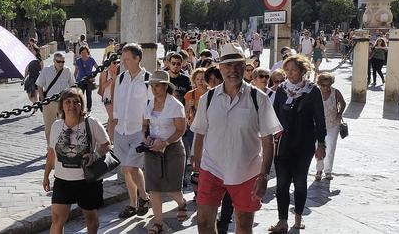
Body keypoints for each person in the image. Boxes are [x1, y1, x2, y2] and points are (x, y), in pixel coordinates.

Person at [192, 42, 282, 234]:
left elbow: (268, 140)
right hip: (212, 168)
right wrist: (197, 166)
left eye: (238, 65)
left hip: (246, 170)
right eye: (228, 65)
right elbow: (199, 134)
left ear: (245, 67)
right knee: (204, 223)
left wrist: (264, 176)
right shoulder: (207, 99)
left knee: (243, 224)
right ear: (220, 68)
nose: (233, 70)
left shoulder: (259, 99)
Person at [269, 54, 326, 233]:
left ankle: (298, 217)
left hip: (304, 144)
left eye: (293, 69)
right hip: (283, 144)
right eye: (287, 69)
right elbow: (273, 115)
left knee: (300, 182)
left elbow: (319, 118)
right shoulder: (281, 90)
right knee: (282, 183)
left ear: (302, 70)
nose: (289, 73)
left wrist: (321, 143)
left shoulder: (312, 90)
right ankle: (282, 221)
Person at [43, 88, 111, 234]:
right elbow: (51, 152)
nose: (72, 105)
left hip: (86, 181)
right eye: (67, 102)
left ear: (82, 105)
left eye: (76, 102)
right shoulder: (56, 126)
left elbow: (107, 144)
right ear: (62, 105)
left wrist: (95, 155)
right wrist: (46, 175)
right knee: (56, 219)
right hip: (62, 181)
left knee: (91, 219)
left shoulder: (91, 123)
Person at [142, 71, 188, 234]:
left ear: (165, 87)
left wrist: (165, 142)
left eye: (157, 85)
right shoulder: (149, 104)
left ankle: (182, 203)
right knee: (153, 188)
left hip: (173, 149)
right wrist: (146, 139)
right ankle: (158, 223)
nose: (154, 89)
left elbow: (181, 130)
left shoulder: (176, 105)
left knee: (172, 188)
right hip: (153, 149)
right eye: (152, 86)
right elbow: (145, 125)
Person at [110, 43, 152, 218]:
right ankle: (133, 204)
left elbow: (150, 106)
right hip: (121, 130)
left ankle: (144, 196)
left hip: (138, 131)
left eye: (127, 59)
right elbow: (117, 105)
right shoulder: (120, 78)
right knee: (126, 169)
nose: (124, 62)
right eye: (123, 58)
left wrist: (147, 130)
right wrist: (113, 129)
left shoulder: (148, 78)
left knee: (131, 166)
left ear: (137, 59)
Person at [37, 52, 76, 144]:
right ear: (54, 61)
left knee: (65, 126)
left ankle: (63, 147)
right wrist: (43, 101)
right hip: (49, 103)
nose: (61, 64)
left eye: (63, 61)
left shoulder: (67, 71)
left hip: (63, 103)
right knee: (49, 127)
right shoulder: (46, 70)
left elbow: (73, 86)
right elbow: (39, 85)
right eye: (59, 61)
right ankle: (50, 148)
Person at [315, 73, 346, 181]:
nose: (326, 87)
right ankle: (319, 170)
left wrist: (340, 113)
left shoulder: (335, 92)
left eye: (328, 85)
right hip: (318, 125)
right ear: (319, 84)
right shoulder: (316, 92)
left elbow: (343, 103)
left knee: (331, 148)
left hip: (333, 124)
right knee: (318, 147)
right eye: (323, 85)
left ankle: (328, 171)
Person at [74, 46, 98, 112]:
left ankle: (89, 108)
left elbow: (97, 68)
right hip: (80, 80)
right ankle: (81, 108)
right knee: (80, 95)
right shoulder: (78, 61)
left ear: (87, 52)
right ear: (80, 53)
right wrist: (74, 80)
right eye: (82, 52)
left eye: (85, 52)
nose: (84, 54)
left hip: (89, 80)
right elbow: (76, 71)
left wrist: (93, 76)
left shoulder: (91, 59)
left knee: (89, 95)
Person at [99, 57, 120, 127]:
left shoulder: (120, 71)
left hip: (116, 97)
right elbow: (103, 86)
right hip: (107, 97)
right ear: (110, 63)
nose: (116, 64)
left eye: (118, 62)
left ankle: (109, 131)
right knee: (112, 117)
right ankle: (110, 136)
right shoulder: (105, 72)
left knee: (113, 118)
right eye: (114, 63)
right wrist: (112, 79)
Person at [24, 45, 43, 115]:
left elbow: (42, 70)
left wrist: (42, 80)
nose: (31, 51)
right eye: (31, 50)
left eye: (32, 50)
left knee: (36, 95)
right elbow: (26, 69)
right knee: (29, 95)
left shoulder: (39, 60)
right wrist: (24, 78)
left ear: (36, 51)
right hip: (30, 79)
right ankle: (36, 104)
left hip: (37, 78)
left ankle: (35, 109)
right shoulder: (28, 59)